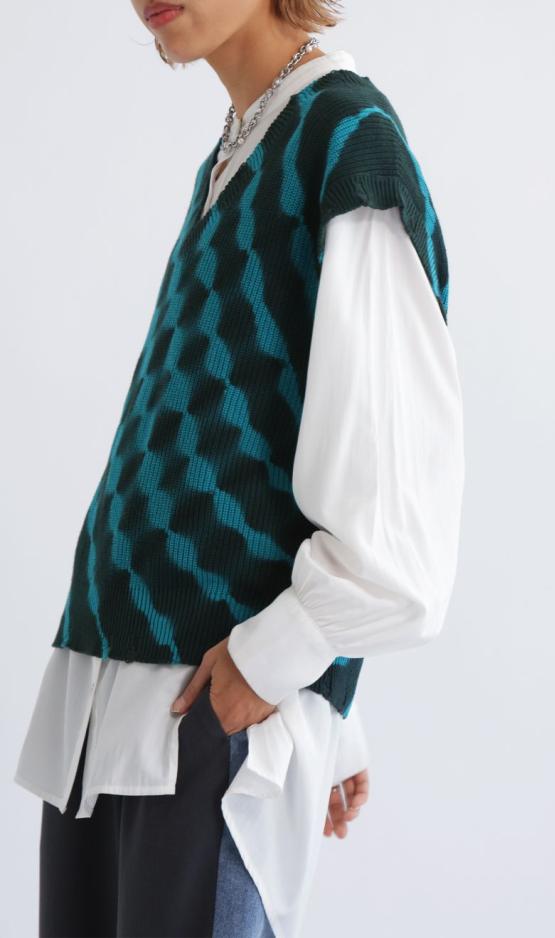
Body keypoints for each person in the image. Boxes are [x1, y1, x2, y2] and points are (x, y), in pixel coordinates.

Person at [14, 2, 465, 936]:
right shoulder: (244, 143)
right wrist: (327, 703)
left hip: (197, 724)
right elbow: (256, 433)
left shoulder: (347, 141)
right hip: (111, 703)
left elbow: (396, 504)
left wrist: (286, 664)